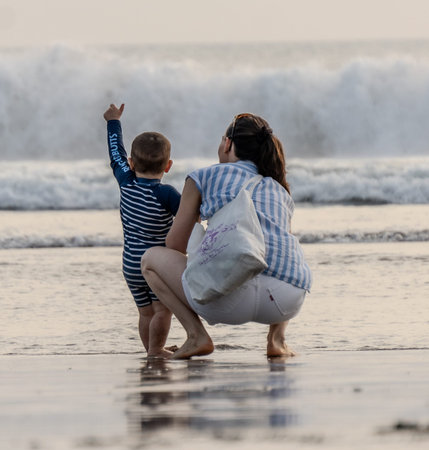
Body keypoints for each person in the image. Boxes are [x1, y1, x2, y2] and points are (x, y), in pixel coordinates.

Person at [141, 113, 312, 359]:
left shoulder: (202, 177)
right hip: (286, 301)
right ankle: (277, 340)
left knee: (150, 260)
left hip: (228, 300)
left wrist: (199, 221)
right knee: (281, 252)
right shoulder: (279, 188)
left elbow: (175, 245)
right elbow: (281, 248)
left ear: (228, 144)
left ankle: (196, 335)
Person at [103, 103, 181, 358]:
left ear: (131, 163)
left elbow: (115, 154)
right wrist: (208, 226)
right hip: (155, 264)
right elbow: (189, 218)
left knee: (145, 312)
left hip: (129, 263)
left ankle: (151, 349)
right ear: (168, 166)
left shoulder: (126, 181)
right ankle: (156, 350)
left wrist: (113, 121)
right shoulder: (165, 194)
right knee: (162, 310)